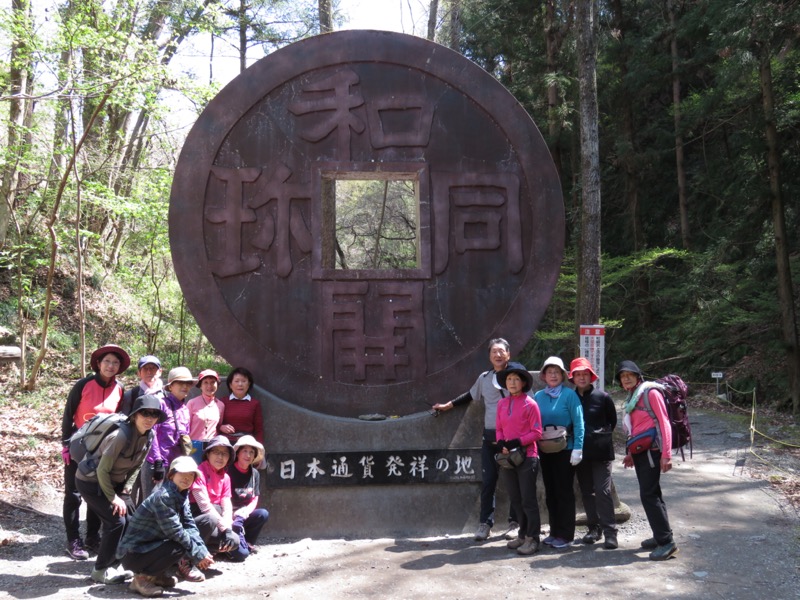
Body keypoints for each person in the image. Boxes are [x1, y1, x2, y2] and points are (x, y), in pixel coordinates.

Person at [432, 338, 519, 541]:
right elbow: (470, 396)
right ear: (489, 356)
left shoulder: (517, 377)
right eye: (493, 352)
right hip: (490, 437)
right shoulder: (485, 378)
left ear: (508, 354)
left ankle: (515, 523)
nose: (497, 355)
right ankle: (485, 524)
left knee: (514, 482)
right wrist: (448, 405)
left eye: (501, 351)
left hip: (513, 438)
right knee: (488, 481)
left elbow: (529, 402)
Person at [75, 394, 167, 584]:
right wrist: (113, 498)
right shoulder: (120, 436)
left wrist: (125, 489)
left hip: (114, 483)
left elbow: (137, 466)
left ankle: (115, 565)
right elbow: (102, 470)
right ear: (135, 415)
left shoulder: (149, 435)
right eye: (145, 413)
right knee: (116, 521)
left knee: (132, 519)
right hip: (90, 482)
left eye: (154, 414)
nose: (149, 418)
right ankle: (99, 570)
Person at [61, 344, 130, 560]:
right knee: (73, 494)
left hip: (103, 448)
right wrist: (65, 444)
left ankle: (92, 537)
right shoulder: (83, 385)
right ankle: (73, 540)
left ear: (119, 367)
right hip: (79, 446)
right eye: (107, 361)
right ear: (99, 364)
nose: (111, 366)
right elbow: (68, 414)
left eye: (115, 363)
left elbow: (120, 421)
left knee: (97, 492)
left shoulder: (119, 389)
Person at [117, 456, 215, 597]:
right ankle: (141, 579)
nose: (187, 478)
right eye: (182, 473)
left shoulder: (182, 494)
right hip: (133, 553)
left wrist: (202, 550)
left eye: (191, 475)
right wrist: (198, 554)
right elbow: (175, 531)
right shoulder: (164, 496)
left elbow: (189, 524)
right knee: (179, 545)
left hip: (149, 546)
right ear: (171, 475)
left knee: (183, 541)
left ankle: (156, 576)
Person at [617, 360, 679, 561]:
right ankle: (661, 535)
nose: (625, 378)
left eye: (629, 374)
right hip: (641, 452)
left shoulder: (650, 393)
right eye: (622, 376)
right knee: (653, 494)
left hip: (653, 451)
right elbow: (635, 429)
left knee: (649, 495)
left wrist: (666, 454)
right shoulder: (633, 397)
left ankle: (667, 543)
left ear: (637, 375)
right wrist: (630, 453)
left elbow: (664, 423)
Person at [533, 356, 585, 549]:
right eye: (549, 372)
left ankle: (566, 534)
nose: (553, 375)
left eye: (557, 372)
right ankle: (554, 531)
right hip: (545, 449)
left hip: (566, 449)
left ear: (563, 375)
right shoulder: (538, 396)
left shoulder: (569, 395)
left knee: (564, 491)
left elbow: (579, 423)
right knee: (550, 491)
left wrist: (578, 448)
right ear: (544, 375)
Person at [568, 357, 618, 550]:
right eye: (578, 374)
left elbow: (612, 422)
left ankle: (610, 532)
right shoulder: (570, 397)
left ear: (591, 376)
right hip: (579, 453)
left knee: (603, 490)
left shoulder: (603, 397)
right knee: (587, 491)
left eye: (585, 374)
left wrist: (598, 436)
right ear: (572, 377)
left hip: (601, 452)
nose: (581, 377)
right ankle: (593, 528)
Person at [495, 362, 543, 555]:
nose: (512, 382)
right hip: (508, 458)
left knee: (528, 499)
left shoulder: (530, 404)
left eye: (516, 379)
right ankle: (522, 535)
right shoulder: (501, 403)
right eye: (509, 379)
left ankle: (533, 538)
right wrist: (501, 443)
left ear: (523, 382)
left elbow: (537, 432)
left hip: (527, 456)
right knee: (515, 499)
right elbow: (498, 428)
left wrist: (517, 441)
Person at [141, 367, 196, 502]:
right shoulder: (161, 405)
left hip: (176, 465)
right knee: (152, 503)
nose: (185, 386)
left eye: (188, 383)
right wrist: (158, 461)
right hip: (157, 463)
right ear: (170, 386)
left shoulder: (185, 409)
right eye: (180, 383)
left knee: (170, 503)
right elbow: (152, 432)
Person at [189, 435, 240, 557]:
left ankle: (208, 551)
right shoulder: (198, 473)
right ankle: (191, 557)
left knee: (235, 540)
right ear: (208, 454)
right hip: (197, 518)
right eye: (216, 452)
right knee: (213, 513)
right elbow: (204, 506)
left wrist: (227, 528)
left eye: (225, 453)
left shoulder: (226, 477)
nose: (220, 457)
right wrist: (224, 529)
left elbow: (227, 505)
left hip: (215, 519)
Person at [228, 435, 270, 561]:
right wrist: (232, 514)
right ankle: (229, 547)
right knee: (241, 556)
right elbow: (223, 497)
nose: (248, 455)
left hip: (244, 514)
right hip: (228, 515)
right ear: (238, 453)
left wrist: (244, 513)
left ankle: (248, 542)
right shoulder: (228, 470)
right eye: (245, 451)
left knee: (262, 514)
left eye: (251, 452)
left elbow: (255, 498)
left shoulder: (254, 473)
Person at [186, 369, 225, 462]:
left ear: (217, 384)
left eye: (212, 382)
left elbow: (218, 426)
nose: (209, 386)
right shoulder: (192, 403)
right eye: (205, 382)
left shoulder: (220, 405)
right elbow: (185, 427)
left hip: (212, 446)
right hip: (194, 445)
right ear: (200, 385)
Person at [219, 367, 264, 444]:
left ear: (249, 384)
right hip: (226, 442)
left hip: (246, 443)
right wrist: (221, 427)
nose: (240, 384)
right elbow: (213, 423)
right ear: (230, 385)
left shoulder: (254, 403)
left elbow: (258, 429)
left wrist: (259, 447)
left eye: (244, 381)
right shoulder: (222, 402)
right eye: (236, 381)